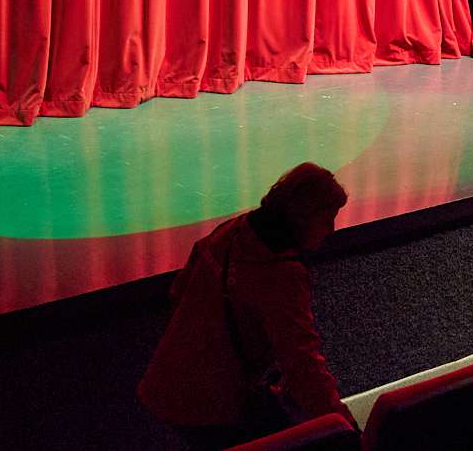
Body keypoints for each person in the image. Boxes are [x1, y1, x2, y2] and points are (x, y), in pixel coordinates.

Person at [139, 163, 353, 448]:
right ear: (303, 216)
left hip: (166, 378)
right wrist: (343, 427)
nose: (331, 229)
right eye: (327, 218)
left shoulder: (234, 230)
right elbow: (301, 363)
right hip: (210, 403)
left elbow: (179, 290)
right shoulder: (281, 274)